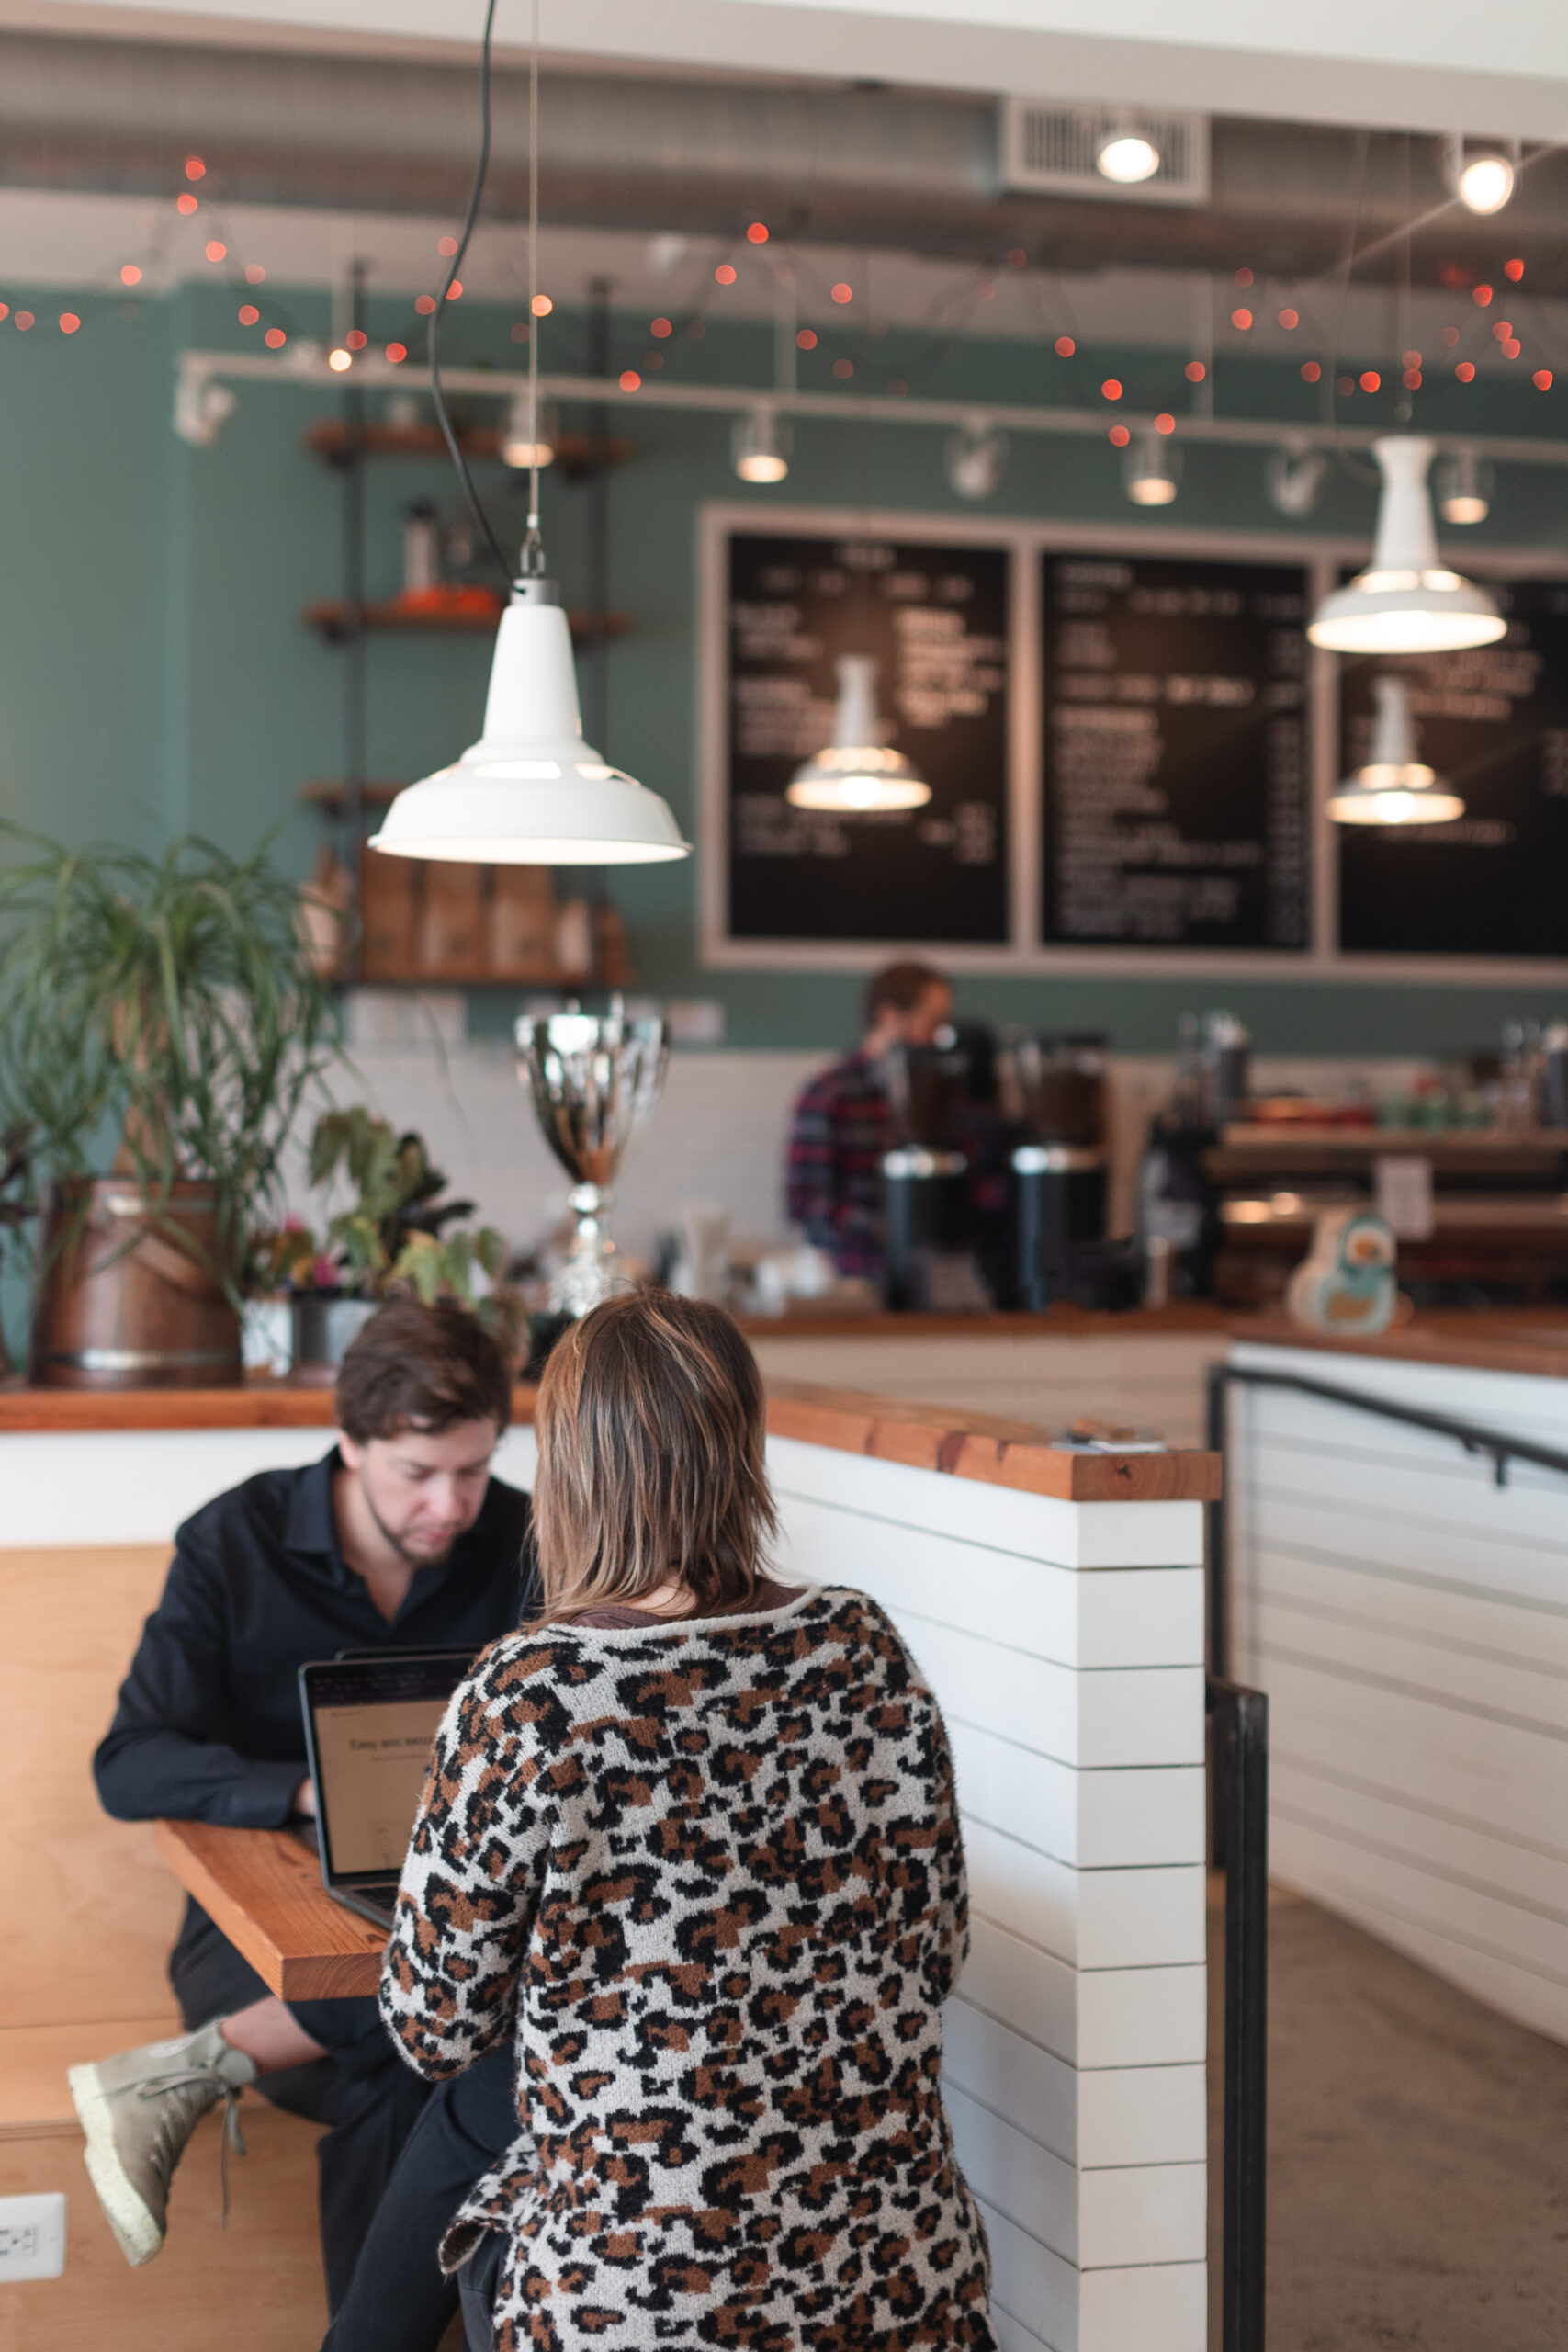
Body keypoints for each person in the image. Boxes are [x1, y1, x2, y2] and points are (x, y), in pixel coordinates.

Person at [369, 1289, 995, 2352]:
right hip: (897, 2287)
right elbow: (939, 1954)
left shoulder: (530, 1694)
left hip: (642, 2305)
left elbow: (434, 2029)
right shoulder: (862, 1648)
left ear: (567, 1475)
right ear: (740, 1452)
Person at [68, 1296, 536, 2313]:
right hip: (257, 1943)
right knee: (443, 2057)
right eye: (418, 1474)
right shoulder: (235, 1541)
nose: (451, 1506)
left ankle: (195, 2072)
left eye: (473, 1468)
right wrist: (302, 1789)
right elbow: (129, 1763)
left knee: (421, 2064)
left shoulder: (524, 1539)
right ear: (350, 1441)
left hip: (454, 1926)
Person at [785, 956, 953, 1281]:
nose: (937, 1040)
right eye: (931, 1024)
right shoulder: (829, 1094)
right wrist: (890, 1226)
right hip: (855, 1285)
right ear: (889, 1017)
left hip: (935, 1279)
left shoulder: (940, 1095)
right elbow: (805, 1206)